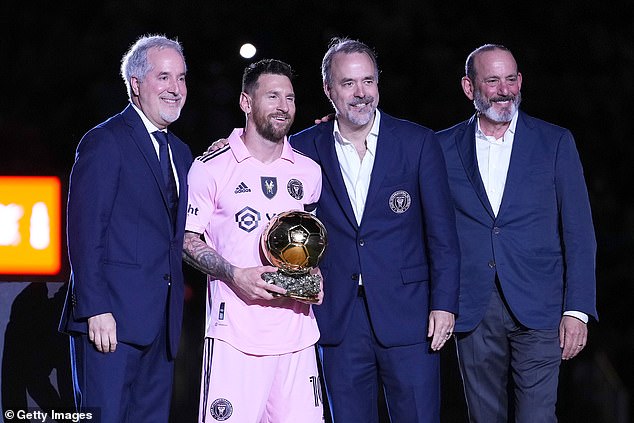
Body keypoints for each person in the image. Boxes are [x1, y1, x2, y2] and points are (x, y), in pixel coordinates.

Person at [289, 37, 460, 423]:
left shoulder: (417, 142)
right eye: (348, 83)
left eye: (368, 81)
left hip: (411, 316)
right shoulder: (301, 149)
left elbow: (442, 235)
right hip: (337, 317)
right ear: (328, 90)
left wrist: (445, 303)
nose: (361, 93)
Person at [436, 44, 598, 422]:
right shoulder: (441, 147)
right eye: (492, 80)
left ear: (521, 81)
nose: (505, 89)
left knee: (537, 417)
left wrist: (578, 309)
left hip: (541, 305)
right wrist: (340, 131)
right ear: (468, 86)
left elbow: (579, 231)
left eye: (511, 78)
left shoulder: (555, 142)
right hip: (473, 305)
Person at [59, 35, 193, 423]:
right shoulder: (105, 141)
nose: (176, 88)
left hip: (161, 328)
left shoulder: (181, 152)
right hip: (110, 324)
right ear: (136, 84)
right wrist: (95, 308)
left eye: (182, 78)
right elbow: (85, 231)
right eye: (164, 77)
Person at [182, 59, 324, 423]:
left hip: (297, 337)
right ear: (246, 102)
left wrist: (313, 278)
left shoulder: (307, 171)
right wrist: (234, 274)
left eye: (290, 98)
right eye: (272, 96)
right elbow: (187, 240)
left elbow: (308, 246)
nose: (283, 106)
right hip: (235, 339)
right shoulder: (211, 167)